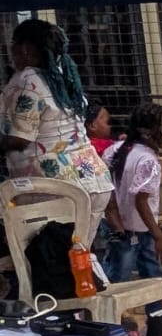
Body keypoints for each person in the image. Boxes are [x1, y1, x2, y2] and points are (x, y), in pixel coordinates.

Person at [1, 19, 114, 229]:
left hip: (55, 189)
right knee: (79, 248)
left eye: (13, 45)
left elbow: (20, 138)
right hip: (94, 182)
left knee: (46, 249)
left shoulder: (27, 80)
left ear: (25, 48)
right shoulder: (64, 78)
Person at [103, 102, 162, 283]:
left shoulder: (115, 150)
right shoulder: (149, 162)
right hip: (141, 232)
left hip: (119, 227)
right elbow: (141, 201)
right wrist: (159, 236)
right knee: (135, 279)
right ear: (146, 132)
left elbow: (109, 192)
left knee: (121, 277)